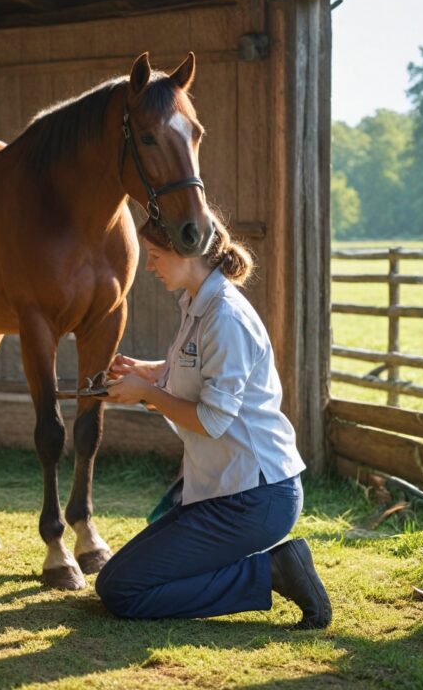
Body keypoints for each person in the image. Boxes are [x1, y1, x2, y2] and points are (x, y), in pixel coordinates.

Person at [94, 215, 332, 630]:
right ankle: (270, 568)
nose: (150, 266)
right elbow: (196, 375)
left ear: (187, 254)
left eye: (155, 256)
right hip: (223, 491)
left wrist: (148, 393)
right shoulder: (196, 305)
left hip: (255, 499)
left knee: (123, 592)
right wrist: (151, 372)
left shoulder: (225, 318)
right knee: (113, 580)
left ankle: (273, 572)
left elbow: (212, 419)